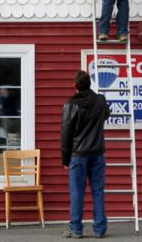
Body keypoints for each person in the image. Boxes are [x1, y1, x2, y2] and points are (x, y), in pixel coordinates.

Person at [61, 70, 110, 239]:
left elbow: (66, 134)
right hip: (97, 152)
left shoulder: (71, 104)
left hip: (78, 155)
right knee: (98, 191)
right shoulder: (100, 101)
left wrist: (65, 159)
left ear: (75, 86)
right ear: (90, 84)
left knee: (77, 192)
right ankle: (100, 229)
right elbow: (106, 115)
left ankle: (76, 229)